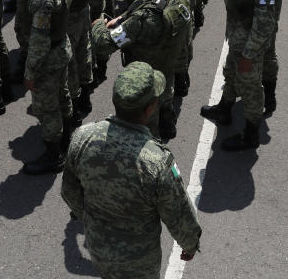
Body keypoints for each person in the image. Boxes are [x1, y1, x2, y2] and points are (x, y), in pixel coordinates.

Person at [61, 62, 202, 279]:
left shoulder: (82, 137)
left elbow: (69, 192)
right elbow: (179, 215)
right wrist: (190, 244)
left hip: (98, 248)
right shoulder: (157, 162)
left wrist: (92, 221)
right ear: (149, 109)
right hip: (139, 262)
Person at [200, 0, 283, 151]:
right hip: (238, 34)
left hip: (249, 41)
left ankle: (250, 134)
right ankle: (225, 108)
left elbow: (265, 20)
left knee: (250, 88)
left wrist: (249, 53)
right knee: (230, 72)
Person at [92, 0, 192, 140]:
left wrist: (98, 24)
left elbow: (104, 45)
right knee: (165, 98)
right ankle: (168, 122)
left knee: (147, 128)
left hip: (145, 81)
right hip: (167, 69)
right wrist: (122, 19)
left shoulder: (144, 19)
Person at [15, 0, 75, 174]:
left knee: (47, 108)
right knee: (62, 97)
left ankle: (53, 156)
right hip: (60, 49)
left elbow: (39, 41)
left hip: (47, 58)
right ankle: (67, 140)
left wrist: (30, 72)